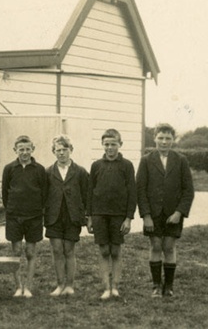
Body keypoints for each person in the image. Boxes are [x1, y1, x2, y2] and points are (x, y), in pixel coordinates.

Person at [137, 123, 194, 298]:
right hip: (153, 214)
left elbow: (188, 190)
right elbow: (140, 189)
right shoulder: (146, 160)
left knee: (169, 247)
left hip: (173, 214)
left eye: (168, 138)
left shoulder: (181, 160)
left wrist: (179, 213)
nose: (164, 142)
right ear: (154, 138)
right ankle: (156, 285)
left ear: (173, 140)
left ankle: (168, 286)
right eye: (160, 138)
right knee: (155, 246)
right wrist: (146, 215)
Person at [86, 128, 136, 300]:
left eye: (113, 144)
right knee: (104, 250)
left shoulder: (127, 166)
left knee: (115, 251)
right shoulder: (96, 166)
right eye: (106, 144)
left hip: (118, 215)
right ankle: (106, 287)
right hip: (99, 214)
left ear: (120, 145)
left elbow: (132, 193)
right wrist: (90, 217)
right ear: (102, 145)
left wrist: (128, 218)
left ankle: (115, 286)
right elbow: (90, 192)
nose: (110, 148)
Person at [2, 135, 47, 298]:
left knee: (30, 252)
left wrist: (37, 210)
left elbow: (44, 193)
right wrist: (12, 209)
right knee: (16, 251)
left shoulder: (40, 169)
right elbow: (5, 193)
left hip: (33, 216)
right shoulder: (9, 168)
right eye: (21, 149)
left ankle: (28, 287)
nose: (25, 152)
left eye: (28, 149)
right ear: (15, 150)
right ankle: (17, 286)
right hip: (14, 216)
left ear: (33, 149)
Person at [45, 135, 89, 297]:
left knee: (69, 250)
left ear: (71, 150)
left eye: (65, 150)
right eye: (58, 150)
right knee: (57, 250)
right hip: (54, 216)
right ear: (53, 152)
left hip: (72, 216)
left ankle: (70, 285)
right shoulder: (48, 172)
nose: (62, 153)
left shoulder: (80, 172)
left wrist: (87, 216)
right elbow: (44, 195)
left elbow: (87, 196)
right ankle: (59, 284)